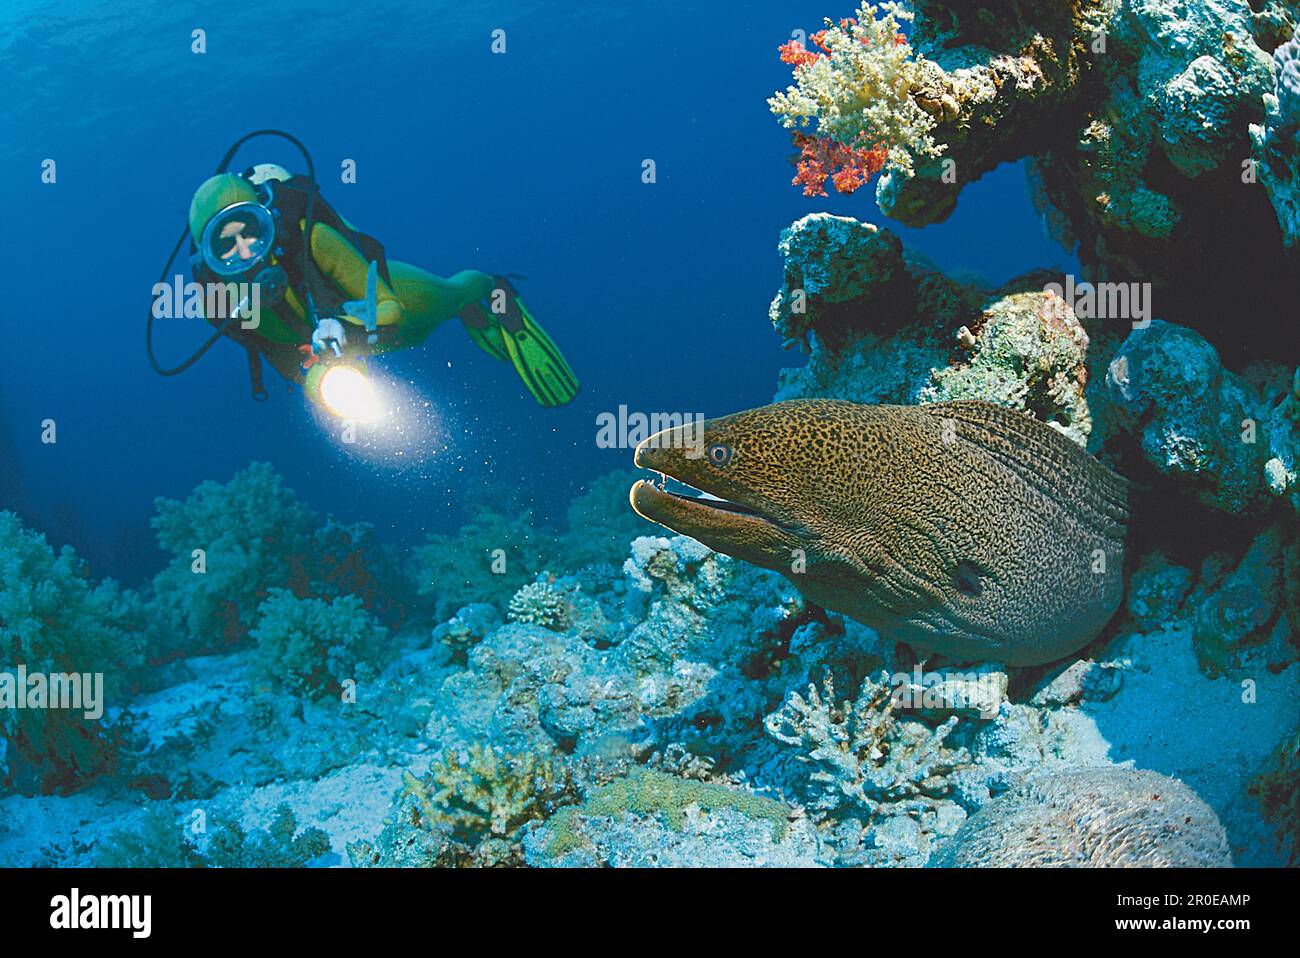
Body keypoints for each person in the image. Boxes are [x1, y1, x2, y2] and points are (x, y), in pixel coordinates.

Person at [186, 163, 579, 408]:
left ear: (267, 221)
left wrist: (347, 328)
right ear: (208, 256)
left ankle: (492, 291)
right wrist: (313, 378)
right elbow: (275, 353)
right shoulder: (217, 304)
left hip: (378, 304)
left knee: (446, 298)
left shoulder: (312, 239)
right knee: (417, 338)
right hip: (345, 350)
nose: (246, 251)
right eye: (226, 244)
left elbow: (390, 308)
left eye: (250, 231)